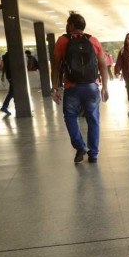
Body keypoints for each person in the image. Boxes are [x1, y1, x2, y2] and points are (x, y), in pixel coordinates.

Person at [51, 12, 109, 163]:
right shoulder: (93, 40)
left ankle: (80, 146)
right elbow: (103, 66)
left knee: (70, 116)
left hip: (72, 87)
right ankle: (94, 154)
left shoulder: (63, 41)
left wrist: (54, 88)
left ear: (70, 25)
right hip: (91, 87)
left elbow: (56, 66)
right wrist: (105, 87)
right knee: (93, 119)